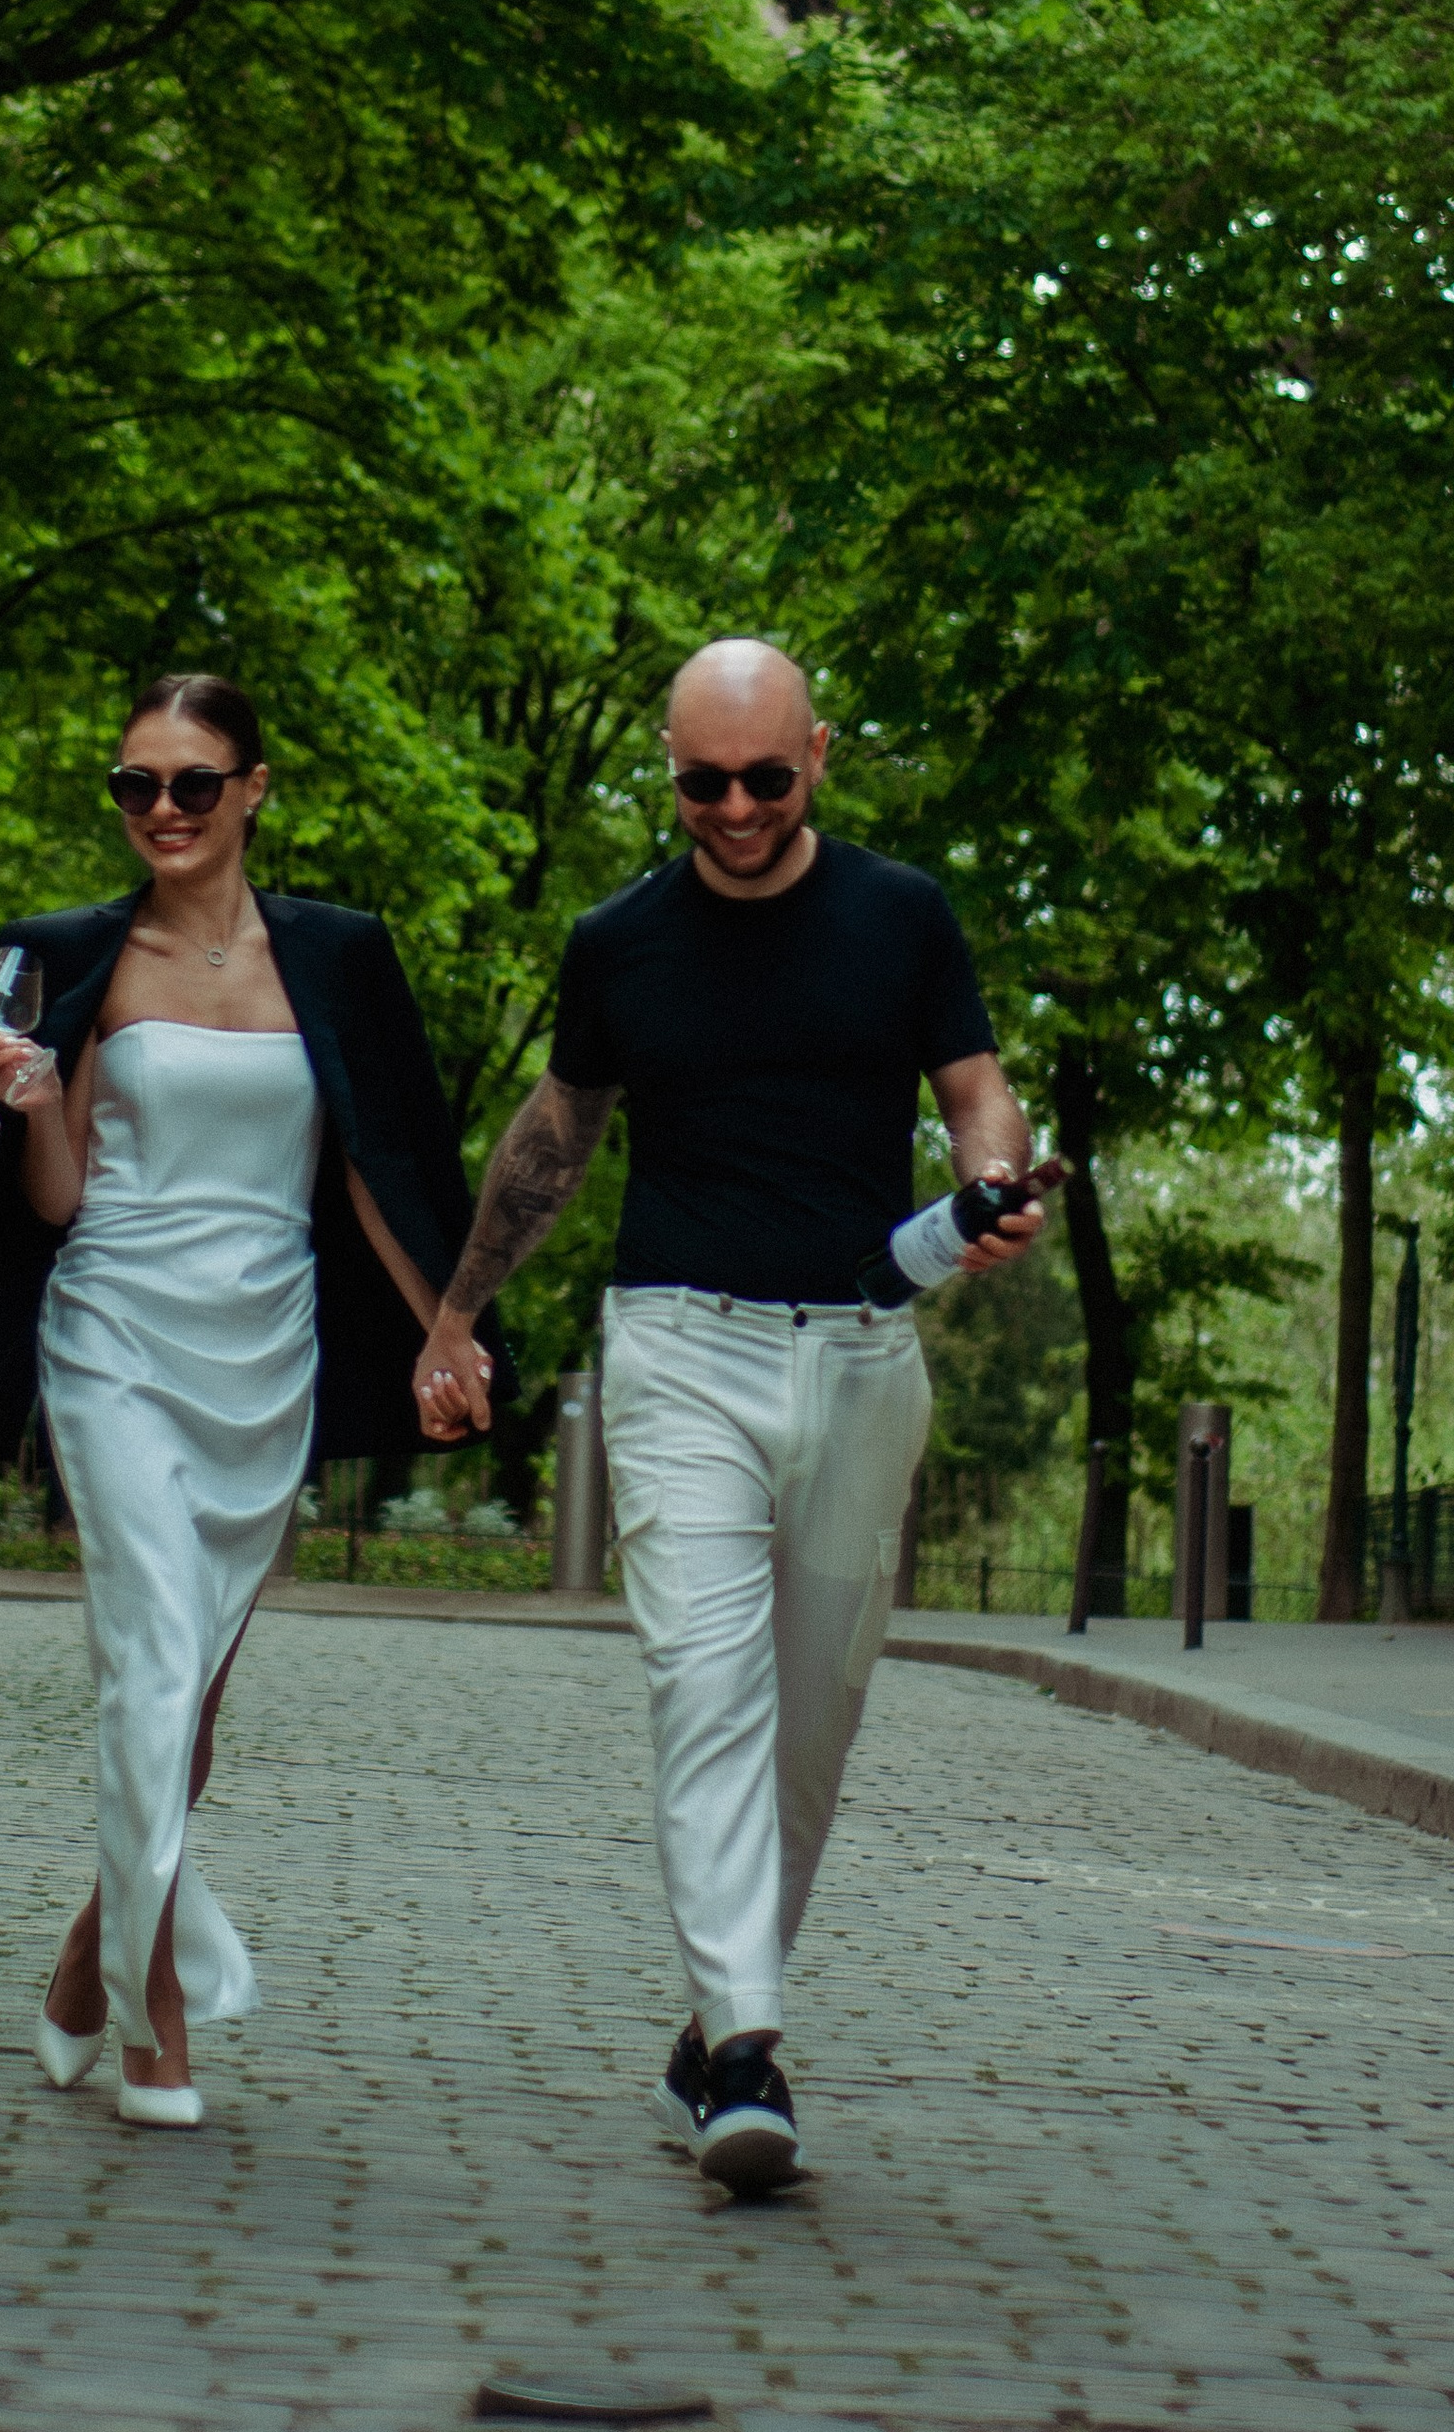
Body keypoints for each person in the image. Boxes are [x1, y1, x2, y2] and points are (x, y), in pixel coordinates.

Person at [410, 635, 1043, 2196]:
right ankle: (751, 2054)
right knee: (705, 1686)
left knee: (810, 1723)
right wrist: (456, 1310)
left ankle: (711, 2026)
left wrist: (989, 1181)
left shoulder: (901, 917)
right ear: (671, 774)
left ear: (818, 755)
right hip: (679, 1345)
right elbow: (556, 1133)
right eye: (704, 782)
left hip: (862, 1350)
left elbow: (976, 1089)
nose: (738, 808)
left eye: (767, 776)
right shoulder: (618, 941)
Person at [0, 669, 492, 2129]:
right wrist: (38, 1101)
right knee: (149, 1661)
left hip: (268, 1352)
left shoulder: (341, 957)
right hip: (114, 1331)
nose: (166, 812)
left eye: (196, 783)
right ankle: (157, 2017)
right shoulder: (67, 955)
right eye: (138, 786)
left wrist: (449, 1333)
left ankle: (86, 1960)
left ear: (256, 789)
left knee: (186, 1700)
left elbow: (383, 1164)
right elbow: (61, 1202)